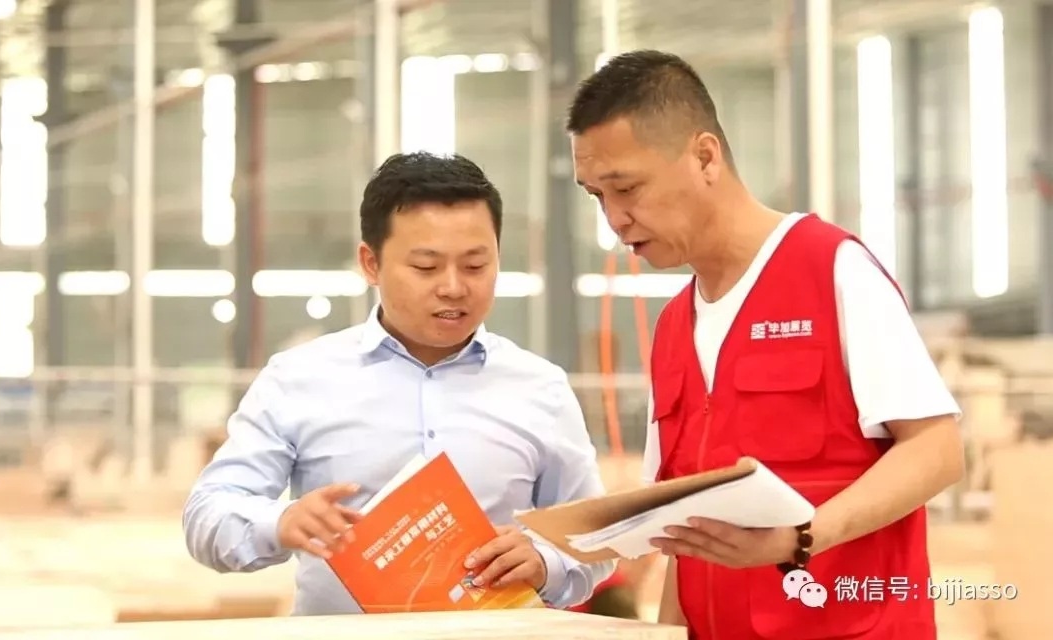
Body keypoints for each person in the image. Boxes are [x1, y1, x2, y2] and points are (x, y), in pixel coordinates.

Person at [565, 50, 965, 640]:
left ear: (705, 157)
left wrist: (801, 539)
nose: (615, 219)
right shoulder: (673, 329)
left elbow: (936, 451)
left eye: (627, 188)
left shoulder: (833, 271)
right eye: (596, 195)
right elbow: (684, 539)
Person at [182, 151, 615, 615]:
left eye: (475, 265)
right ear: (370, 263)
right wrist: (279, 522)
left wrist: (546, 563)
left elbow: (594, 539)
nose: (453, 287)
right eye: (426, 267)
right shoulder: (298, 378)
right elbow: (208, 514)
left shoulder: (540, 388)